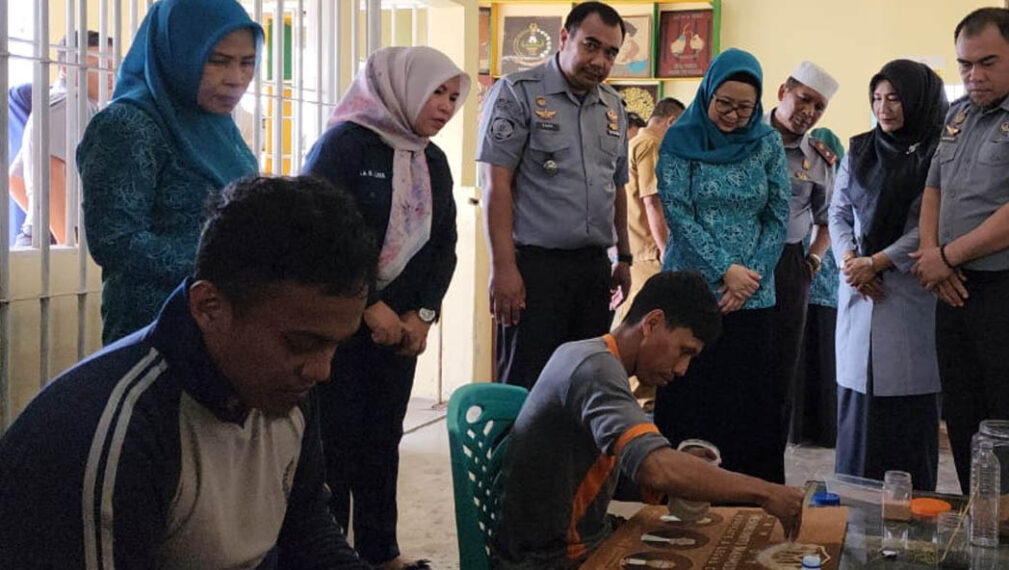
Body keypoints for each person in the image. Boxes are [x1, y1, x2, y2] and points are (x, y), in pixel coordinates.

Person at [0, 175, 381, 569]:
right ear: (209, 306)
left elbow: (306, 530)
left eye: (336, 344)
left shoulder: (284, 384)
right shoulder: (108, 432)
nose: (322, 370)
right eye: (301, 343)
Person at [493, 271, 805, 569]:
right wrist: (766, 492)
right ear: (652, 323)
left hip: (583, 540)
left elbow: (609, 478)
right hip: (551, 561)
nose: (682, 369)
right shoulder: (595, 369)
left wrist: (686, 471)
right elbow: (655, 469)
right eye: (684, 351)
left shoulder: (593, 359)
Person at [302, 46, 468, 570]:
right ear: (401, 87)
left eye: (452, 96)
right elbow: (319, 235)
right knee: (333, 447)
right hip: (339, 327)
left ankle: (380, 552)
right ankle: (328, 555)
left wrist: (423, 315)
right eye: (436, 92)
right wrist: (367, 306)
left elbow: (444, 245)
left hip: (400, 335)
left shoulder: (431, 158)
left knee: (381, 443)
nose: (444, 106)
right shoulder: (344, 146)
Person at [911, 8, 1009, 497]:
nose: (973, 76)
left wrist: (947, 256)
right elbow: (933, 188)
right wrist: (934, 257)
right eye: (964, 65)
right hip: (952, 287)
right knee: (961, 415)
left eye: (987, 63)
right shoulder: (959, 114)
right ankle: (979, 521)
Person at [78, 0, 261, 345]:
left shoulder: (218, 127)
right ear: (177, 53)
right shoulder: (127, 125)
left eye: (247, 62)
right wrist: (229, 267)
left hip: (225, 322)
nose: (236, 79)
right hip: (156, 329)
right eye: (217, 60)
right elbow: (116, 242)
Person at [651, 49, 791, 483]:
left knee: (748, 402)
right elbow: (676, 209)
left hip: (754, 292)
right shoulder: (680, 140)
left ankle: (754, 502)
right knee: (693, 394)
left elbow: (778, 213)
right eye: (724, 104)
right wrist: (722, 269)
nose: (733, 115)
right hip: (693, 290)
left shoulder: (766, 142)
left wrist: (749, 277)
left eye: (744, 107)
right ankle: (681, 495)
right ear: (707, 93)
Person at [477, 1, 633, 390]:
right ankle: (515, 454)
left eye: (611, 52)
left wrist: (624, 256)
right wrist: (504, 268)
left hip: (593, 271)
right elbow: (495, 186)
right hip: (534, 270)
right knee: (526, 386)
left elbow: (616, 187)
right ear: (565, 37)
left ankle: (575, 456)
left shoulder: (613, 106)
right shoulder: (517, 94)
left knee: (584, 384)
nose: (599, 61)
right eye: (591, 45)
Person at [829, 60, 948, 491]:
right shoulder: (859, 149)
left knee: (907, 421)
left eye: (895, 97)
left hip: (906, 290)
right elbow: (838, 212)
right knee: (856, 418)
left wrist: (878, 261)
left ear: (916, 100)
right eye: (877, 98)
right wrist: (850, 260)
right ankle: (852, 516)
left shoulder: (938, 151)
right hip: (859, 288)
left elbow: (931, 224)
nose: (885, 107)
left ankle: (910, 526)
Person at [762, 61, 840, 471]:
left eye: (819, 107)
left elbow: (827, 219)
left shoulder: (819, 159)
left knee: (781, 369)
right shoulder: (742, 139)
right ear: (782, 92)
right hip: (737, 266)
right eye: (803, 98)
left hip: (789, 266)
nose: (808, 111)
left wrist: (813, 258)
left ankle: (769, 464)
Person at [9, 31, 113, 247]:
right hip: (58, 243)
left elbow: (15, 179)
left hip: (46, 239)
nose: (111, 74)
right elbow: (50, 172)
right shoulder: (72, 103)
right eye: (100, 64)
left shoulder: (59, 103)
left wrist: (45, 223)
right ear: (67, 68)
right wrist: (69, 243)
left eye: (114, 65)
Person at [617, 97, 684, 409]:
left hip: (637, 248)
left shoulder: (634, 143)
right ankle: (638, 398)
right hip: (649, 252)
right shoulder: (650, 145)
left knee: (632, 319)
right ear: (671, 122)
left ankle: (625, 392)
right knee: (647, 325)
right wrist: (667, 250)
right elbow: (652, 200)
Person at [788, 127, 844, 448]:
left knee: (816, 355)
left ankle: (813, 429)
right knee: (812, 356)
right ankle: (814, 429)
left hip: (818, 276)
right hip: (807, 278)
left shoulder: (840, 178)